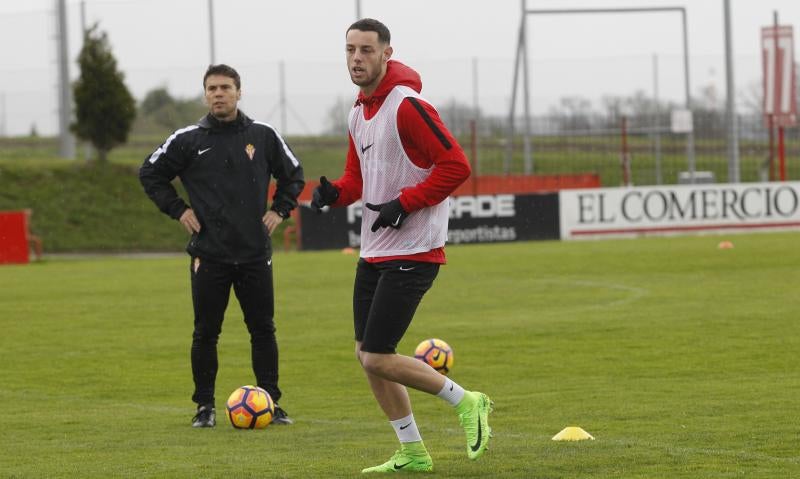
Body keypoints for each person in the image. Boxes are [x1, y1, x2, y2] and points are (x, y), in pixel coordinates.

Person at [311, 19, 492, 473]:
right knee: (367, 358)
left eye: (366, 50)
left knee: (377, 354)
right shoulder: (357, 111)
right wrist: (336, 194)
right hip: (374, 251)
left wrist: (406, 204)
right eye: (350, 49)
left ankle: (467, 401)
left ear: (387, 54)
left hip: (414, 250)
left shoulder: (407, 106)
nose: (356, 58)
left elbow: (456, 165)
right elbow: (358, 180)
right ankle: (412, 451)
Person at [140, 64, 304, 428]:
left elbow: (294, 174)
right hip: (208, 254)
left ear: (239, 92)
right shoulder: (188, 139)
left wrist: (279, 210)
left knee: (263, 329)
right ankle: (205, 407)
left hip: (253, 254)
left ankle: (270, 402)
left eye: (225, 87)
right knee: (205, 333)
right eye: (212, 88)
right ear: (205, 94)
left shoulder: (263, 136)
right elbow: (149, 172)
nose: (218, 93)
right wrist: (178, 209)